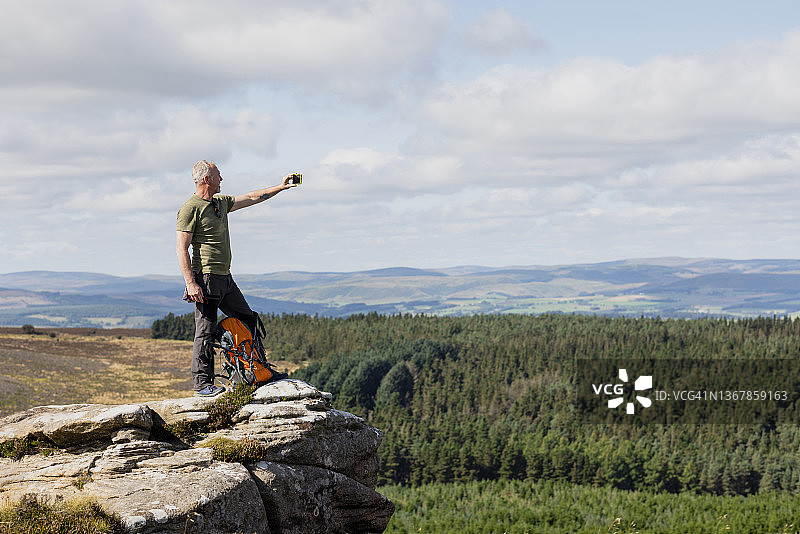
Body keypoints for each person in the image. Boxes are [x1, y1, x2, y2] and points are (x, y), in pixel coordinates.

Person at [176, 160, 298, 397]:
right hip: (207, 278)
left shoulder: (220, 203)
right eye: (218, 176)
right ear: (206, 180)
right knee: (206, 330)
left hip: (225, 278)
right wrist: (191, 283)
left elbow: (252, 197)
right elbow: (182, 248)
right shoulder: (190, 208)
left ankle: (257, 371)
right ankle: (202, 384)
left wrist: (280, 187)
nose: (222, 179)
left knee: (247, 318)